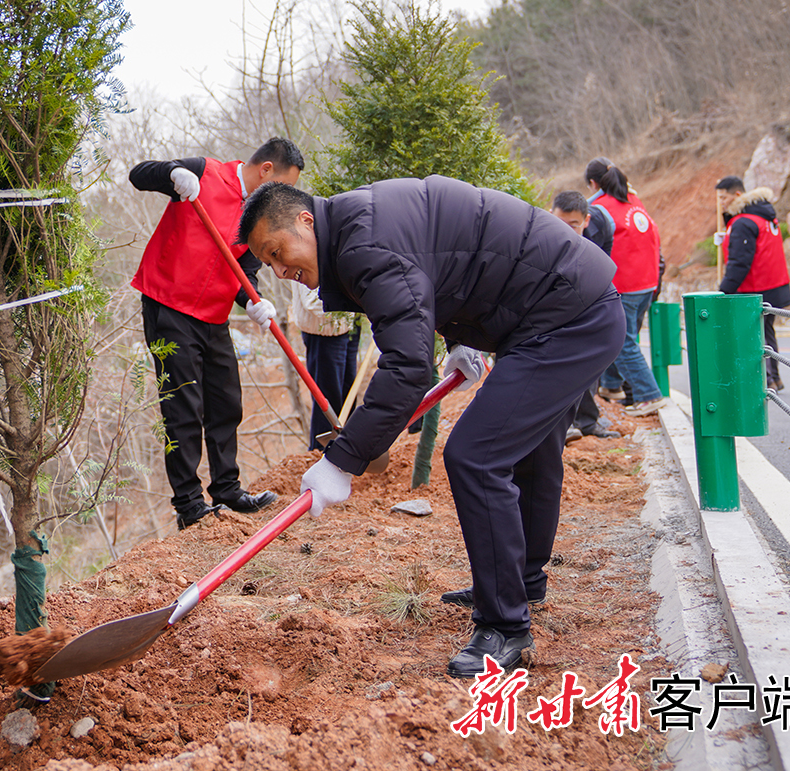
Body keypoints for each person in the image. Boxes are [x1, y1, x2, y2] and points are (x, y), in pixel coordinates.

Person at [237, 177, 624, 677]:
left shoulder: (363, 244)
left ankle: (505, 626)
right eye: (268, 264)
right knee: (530, 451)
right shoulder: (360, 224)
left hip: (569, 317)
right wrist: (462, 335)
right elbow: (443, 268)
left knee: (476, 456)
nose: (281, 270)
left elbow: (406, 367)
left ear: (305, 221)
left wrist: (342, 460)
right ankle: (519, 584)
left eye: (276, 251)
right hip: (558, 307)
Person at [130, 137, 304, 530]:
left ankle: (227, 487)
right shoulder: (204, 173)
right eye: (280, 185)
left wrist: (255, 301)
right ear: (265, 171)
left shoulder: (254, 215)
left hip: (213, 316)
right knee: (183, 408)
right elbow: (139, 174)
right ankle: (189, 504)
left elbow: (245, 273)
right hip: (169, 306)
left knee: (226, 401)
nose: (280, 196)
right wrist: (172, 173)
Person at [585, 158, 669, 416]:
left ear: (592, 183)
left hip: (622, 285)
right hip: (646, 284)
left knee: (621, 342)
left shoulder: (597, 209)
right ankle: (612, 387)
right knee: (625, 338)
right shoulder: (636, 203)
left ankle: (649, 395)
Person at [551, 191, 620, 442]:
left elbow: (604, 266)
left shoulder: (599, 235)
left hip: (588, 297)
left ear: (586, 221)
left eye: (574, 225)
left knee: (589, 362)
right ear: (550, 216)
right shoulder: (541, 236)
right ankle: (562, 424)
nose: (567, 230)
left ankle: (586, 422)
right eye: (560, 223)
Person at [715, 176, 790, 391]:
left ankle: (765, 379)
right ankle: (774, 377)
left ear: (737, 195)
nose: (721, 202)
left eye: (724, 197)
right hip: (774, 285)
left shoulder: (743, 222)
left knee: (753, 335)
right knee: (766, 332)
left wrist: (724, 291)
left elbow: (739, 263)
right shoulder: (764, 216)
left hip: (754, 288)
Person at [288, 284, 358, 450]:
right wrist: (350, 301)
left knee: (349, 397)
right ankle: (320, 458)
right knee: (327, 405)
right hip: (323, 329)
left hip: (348, 322)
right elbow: (313, 301)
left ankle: (346, 456)